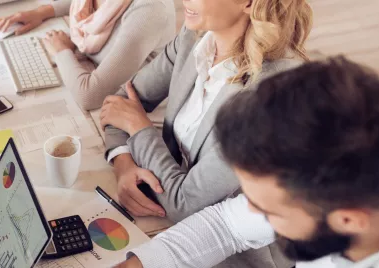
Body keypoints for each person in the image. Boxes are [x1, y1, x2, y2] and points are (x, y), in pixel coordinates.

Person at [114, 57, 379, 268]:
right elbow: (224, 226)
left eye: (270, 212)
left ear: (348, 220)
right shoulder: (335, 203)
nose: (253, 212)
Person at [99, 0, 312, 266]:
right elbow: (120, 103)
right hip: (162, 208)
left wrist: (140, 128)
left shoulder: (272, 97)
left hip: (231, 253)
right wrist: (124, 163)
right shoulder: (195, 36)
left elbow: (186, 204)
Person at [0, 0, 176, 110]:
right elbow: (89, 4)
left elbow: (89, 96)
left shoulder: (150, 9)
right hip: (91, 73)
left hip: (130, 109)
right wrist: (42, 12)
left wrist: (62, 50)